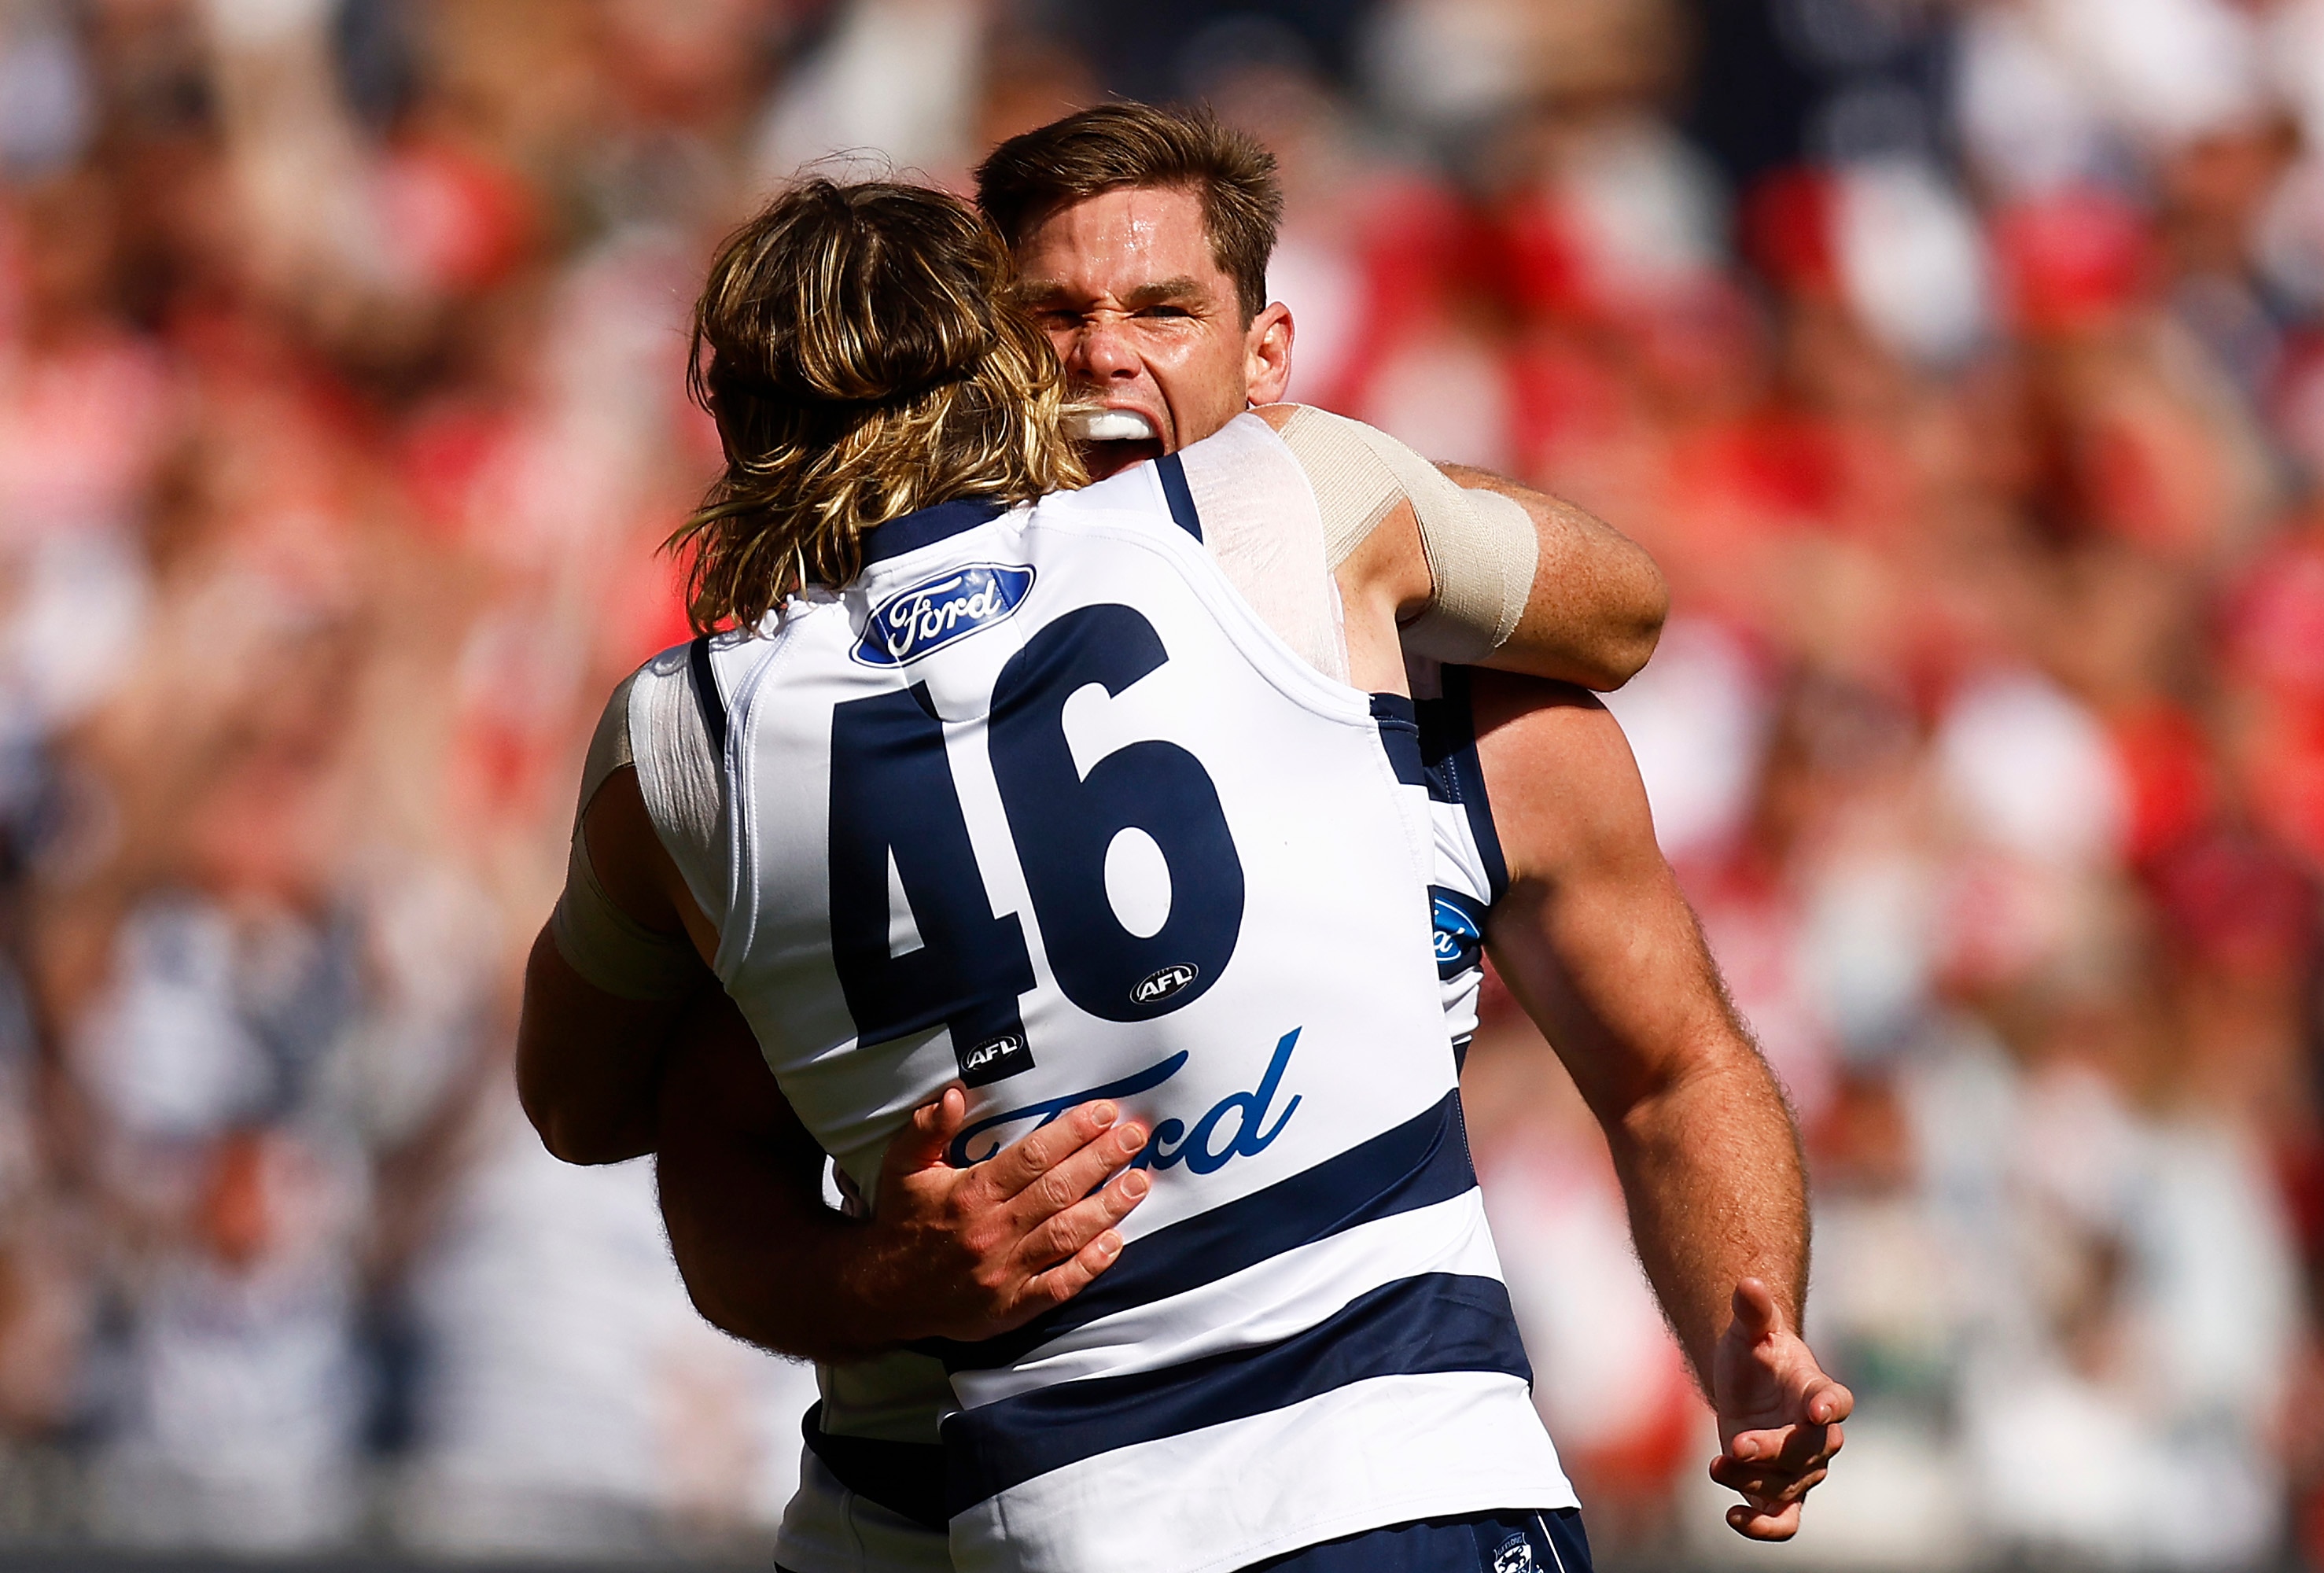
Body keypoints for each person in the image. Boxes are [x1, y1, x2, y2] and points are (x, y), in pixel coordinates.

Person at [524, 108, 1847, 1571]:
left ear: (1268, 358)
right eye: (1053, 317)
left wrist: (1751, 1321)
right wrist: (876, 1275)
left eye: (1161, 311)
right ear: (987, 362)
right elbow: (702, 1163)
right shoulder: (803, 762)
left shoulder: (1421, 654)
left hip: (1349, 1468)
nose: (1101, 356)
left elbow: (1672, 1063)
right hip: (935, 1515)